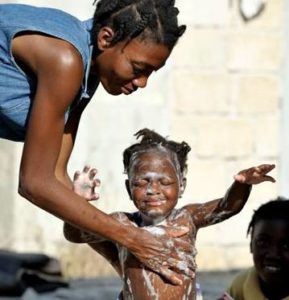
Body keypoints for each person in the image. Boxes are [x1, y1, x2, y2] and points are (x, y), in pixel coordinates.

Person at [0, 0, 191, 283]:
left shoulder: (87, 77)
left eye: (152, 72)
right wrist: (133, 239)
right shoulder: (65, 60)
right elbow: (35, 183)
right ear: (105, 39)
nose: (142, 83)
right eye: (138, 68)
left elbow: (55, 176)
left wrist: (123, 259)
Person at [64, 128, 276, 300]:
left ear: (182, 185)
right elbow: (75, 234)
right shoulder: (121, 223)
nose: (153, 189)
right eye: (141, 182)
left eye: (164, 182)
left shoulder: (187, 218)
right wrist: (78, 200)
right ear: (129, 188)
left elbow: (225, 207)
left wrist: (242, 185)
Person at [223, 198, 289, 300]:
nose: (273, 254)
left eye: (286, 246)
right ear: (251, 245)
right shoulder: (242, 284)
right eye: (263, 242)